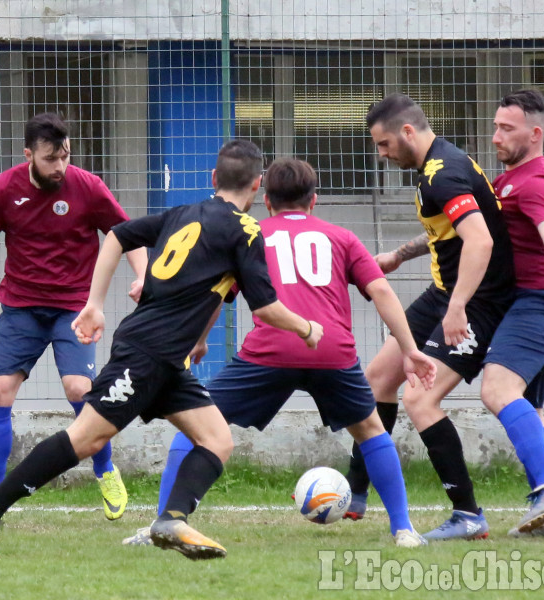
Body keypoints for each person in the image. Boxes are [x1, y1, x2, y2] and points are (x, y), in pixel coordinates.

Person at [0, 139, 324, 561]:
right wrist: (307, 327)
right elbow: (266, 308)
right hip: (146, 353)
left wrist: (100, 305)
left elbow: (119, 237)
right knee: (86, 439)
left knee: (216, 439)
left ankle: (171, 520)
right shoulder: (245, 231)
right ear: (259, 186)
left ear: (213, 179)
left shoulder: (183, 214)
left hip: (167, 358)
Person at [122, 158, 438, 550]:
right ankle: (404, 530)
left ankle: (165, 521)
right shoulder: (342, 238)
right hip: (330, 351)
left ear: (265, 201)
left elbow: (216, 294)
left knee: (195, 427)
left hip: (269, 351)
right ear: (314, 201)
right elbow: (382, 292)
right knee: (372, 431)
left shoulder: (250, 234)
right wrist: (409, 350)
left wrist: (199, 340)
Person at [343, 93, 517, 540]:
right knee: (377, 378)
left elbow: (480, 242)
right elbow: (450, 232)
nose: (381, 154)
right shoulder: (436, 166)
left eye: (383, 145)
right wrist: (401, 255)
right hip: (445, 292)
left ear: (407, 132)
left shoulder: (444, 174)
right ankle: (353, 495)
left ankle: (468, 514)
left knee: (419, 400)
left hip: (477, 302)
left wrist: (458, 307)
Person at [0, 112, 146, 520]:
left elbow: (126, 234)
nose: (60, 166)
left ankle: (105, 471)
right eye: (51, 158)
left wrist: (143, 275)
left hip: (73, 307)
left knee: (78, 388)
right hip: (20, 307)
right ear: (29, 154)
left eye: (65, 156)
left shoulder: (88, 187)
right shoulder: (2, 189)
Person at [481, 90, 544, 537]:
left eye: (507, 128)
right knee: (530, 408)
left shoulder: (537, 182)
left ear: (534, 134)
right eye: (496, 125)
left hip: (541, 302)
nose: (496, 135)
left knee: (498, 389)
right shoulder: (508, 181)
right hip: (539, 304)